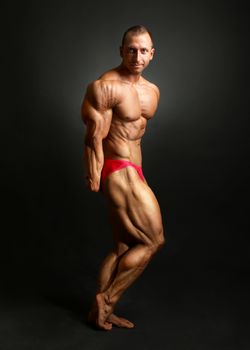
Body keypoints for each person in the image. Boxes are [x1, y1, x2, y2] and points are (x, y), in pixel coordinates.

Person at [81, 25, 165, 331]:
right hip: (118, 169)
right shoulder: (105, 86)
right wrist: (95, 175)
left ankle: (98, 311)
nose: (137, 56)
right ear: (121, 50)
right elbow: (94, 137)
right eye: (131, 49)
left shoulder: (152, 91)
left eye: (144, 50)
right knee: (154, 239)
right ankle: (108, 300)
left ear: (152, 54)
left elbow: (136, 134)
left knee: (123, 246)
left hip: (136, 169)